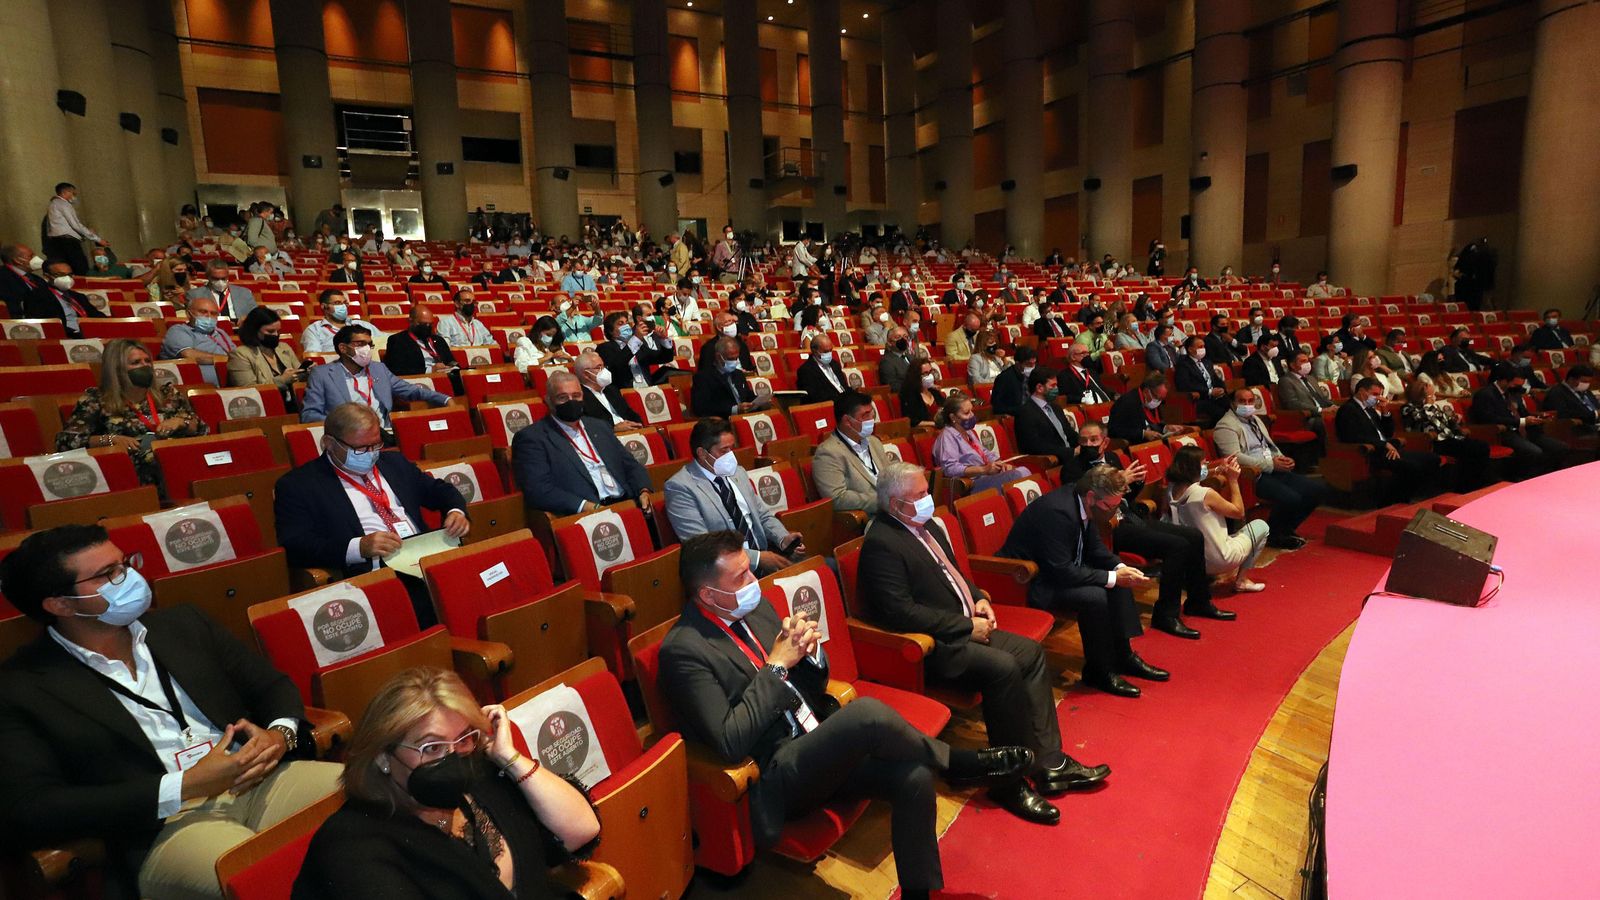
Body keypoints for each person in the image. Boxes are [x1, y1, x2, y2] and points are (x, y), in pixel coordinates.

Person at [661, 533, 1041, 897]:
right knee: (864, 714)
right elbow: (730, 740)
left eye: (749, 568)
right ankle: (958, 764)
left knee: (914, 776)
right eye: (740, 575)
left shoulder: (756, 606)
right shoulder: (684, 651)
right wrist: (776, 667)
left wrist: (810, 653)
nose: (752, 580)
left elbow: (813, 683)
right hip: (775, 773)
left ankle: (918, 892)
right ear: (709, 594)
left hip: (816, 742)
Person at [0, 524, 342, 900]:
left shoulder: (182, 624)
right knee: (266, 877)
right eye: (107, 574)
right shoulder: (22, 686)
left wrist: (280, 736)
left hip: (257, 780)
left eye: (125, 564)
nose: (128, 577)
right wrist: (184, 786)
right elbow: (31, 808)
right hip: (166, 826)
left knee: (379, 797)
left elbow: (271, 686)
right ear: (60, 605)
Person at [863, 464, 1114, 825]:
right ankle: (1008, 781)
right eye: (918, 496)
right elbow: (898, 613)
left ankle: (1049, 763)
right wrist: (966, 626)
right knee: (1004, 667)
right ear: (895, 504)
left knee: (1030, 652)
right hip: (936, 647)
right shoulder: (882, 543)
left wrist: (978, 596)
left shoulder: (928, 525)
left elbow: (955, 574)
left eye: (925, 492)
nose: (927, 501)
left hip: (968, 624)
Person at [293, 667, 599, 900]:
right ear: (383, 757)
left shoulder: (480, 777)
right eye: (432, 748)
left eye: (464, 738)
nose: (454, 758)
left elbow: (581, 829)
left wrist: (508, 756)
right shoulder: (353, 849)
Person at [274, 402, 470, 624]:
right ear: (329, 443)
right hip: (375, 575)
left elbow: (441, 491)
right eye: (360, 449)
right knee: (439, 606)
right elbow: (296, 545)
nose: (370, 454)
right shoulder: (299, 485)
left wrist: (456, 512)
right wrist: (359, 547)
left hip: (425, 557)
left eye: (376, 445)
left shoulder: (394, 463)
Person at [1074, 422, 1230, 636]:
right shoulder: (1074, 467)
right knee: (1176, 546)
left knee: (1193, 536)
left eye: (1093, 440)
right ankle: (1166, 615)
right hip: (1105, 527)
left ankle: (1199, 601)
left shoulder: (1112, 459)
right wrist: (1120, 481)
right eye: (1083, 441)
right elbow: (1085, 503)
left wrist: (1136, 483)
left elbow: (1126, 497)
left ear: (1105, 442)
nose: (1088, 444)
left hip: (1127, 516)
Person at [56, 338, 208, 487]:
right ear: (117, 368)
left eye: (147, 361)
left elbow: (203, 429)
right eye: (136, 363)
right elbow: (66, 442)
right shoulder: (96, 399)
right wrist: (111, 440)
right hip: (127, 470)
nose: (145, 366)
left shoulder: (166, 393)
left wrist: (182, 422)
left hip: (173, 459)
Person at [664, 419, 804, 575]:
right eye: (724, 451)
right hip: (726, 572)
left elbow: (762, 515)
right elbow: (702, 546)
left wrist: (783, 538)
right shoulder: (680, 487)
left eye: (732, 448)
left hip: (766, 555)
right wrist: (757, 558)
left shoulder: (738, 472)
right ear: (702, 453)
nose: (730, 456)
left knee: (824, 567)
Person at [513, 371, 653, 515]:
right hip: (587, 512)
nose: (571, 401)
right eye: (562, 397)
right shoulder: (532, 438)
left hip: (628, 502)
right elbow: (538, 490)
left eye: (576, 396)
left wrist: (643, 490)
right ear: (548, 400)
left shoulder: (599, 426)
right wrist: (586, 506)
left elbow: (629, 464)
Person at [1211, 388, 1325, 549]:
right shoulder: (1225, 426)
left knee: (1316, 490)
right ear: (1232, 403)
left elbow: (1268, 445)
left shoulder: (1255, 420)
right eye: (1242, 401)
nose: (1247, 405)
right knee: (1290, 498)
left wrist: (1282, 458)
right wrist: (1271, 464)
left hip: (1272, 468)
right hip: (1252, 475)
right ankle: (1274, 534)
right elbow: (1234, 457)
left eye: (1250, 401)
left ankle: (1284, 529)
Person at [301, 324, 451, 431]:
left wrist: (445, 399)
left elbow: (411, 390)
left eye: (369, 344)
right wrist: (344, 426)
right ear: (343, 348)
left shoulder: (378, 369)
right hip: (349, 437)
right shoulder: (321, 374)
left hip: (385, 431)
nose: (366, 349)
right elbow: (309, 415)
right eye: (360, 344)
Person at [1161, 449, 1269, 592]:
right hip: (1218, 560)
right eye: (1204, 464)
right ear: (1195, 468)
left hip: (1190, 560)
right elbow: (1239, 512)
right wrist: (1233, 480)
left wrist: (1218, 469)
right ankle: (1242, 580)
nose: (1206, 466)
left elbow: (1194, 482)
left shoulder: (1169, 490)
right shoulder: (1206, 494)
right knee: (1261, 526)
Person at [1337, 377, 1442, 500]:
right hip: (1373, 453)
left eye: (1380, 394)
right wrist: (1384, 445)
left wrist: (1385, 411)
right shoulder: (1348, 409)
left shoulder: (1370, 410)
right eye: (1375, 394)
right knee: (1412, 467)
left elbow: (1387, 432)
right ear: (1361, 391)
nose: (1378, 398)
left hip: (1389, 449)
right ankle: (1393, 500)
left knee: (1433, 458)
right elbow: (1353, 436)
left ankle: (1416, 496)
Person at [1468, 362, 1566, 480]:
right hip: (1503, 432)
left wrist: (1538, 419)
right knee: (1534, 452)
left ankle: (1545, 476)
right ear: (1503, 380)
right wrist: (1522, 421)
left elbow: (1523, 413)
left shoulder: (1513, 393)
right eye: (1514, 383)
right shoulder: (1485, 394)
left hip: (1524, 430)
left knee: (1560, 447)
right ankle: (1523, 480)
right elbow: (1488, 418)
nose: (1517, 386)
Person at [811, 390, 891, 519]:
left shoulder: (874, 442)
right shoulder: (828, 453)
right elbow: (837, 498)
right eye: (865, 416)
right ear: (847, 421)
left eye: (872, 414)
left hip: (894, 510)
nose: (872, 420)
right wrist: (882, 501)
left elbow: (890, 475)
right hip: (872, 517)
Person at [1400, 379, 1492, 489]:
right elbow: (1424, 418)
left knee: (1482, 446)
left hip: (1450, 437)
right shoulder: (1408, 408)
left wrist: (1455, 420)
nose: (1431, 388)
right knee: (1473, 449)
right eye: (1428, 387)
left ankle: (1475, 483)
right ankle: (1466, 486)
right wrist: (1429, 403)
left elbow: (1444, 421)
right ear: (1420, 391)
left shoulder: (1431, 405)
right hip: (1434, 442)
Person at [931, 395, 1031, 493]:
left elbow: (984, 452)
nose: (972, 415)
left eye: (971, 411)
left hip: (986, 476)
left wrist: (1000, 464)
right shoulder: (947, 437)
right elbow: (950, 468)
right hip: (971, 484)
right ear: (953, 417)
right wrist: (983, 470)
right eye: (966, 413)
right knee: (1021, 473)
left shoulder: (968, 432)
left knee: (1022, 472)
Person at [228, 306, 307, 409]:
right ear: (254, 330)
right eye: (270, 332)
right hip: (264, 407)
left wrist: (306, 372)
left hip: (294, 404)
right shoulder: (240, 354)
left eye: (278, 331)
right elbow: (248, 391)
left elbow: (297, 376)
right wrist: (282, 380)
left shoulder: (284, 348)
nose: (275, 335)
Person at [1014, 367, 1082, 475]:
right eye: (1053, 386)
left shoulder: (1055, 407)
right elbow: (1034, 446)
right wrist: (1071, 452)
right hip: (1058, 461)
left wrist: (1085, 442)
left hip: (1072, 458)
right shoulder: (1025, 413)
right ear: (1039, 388)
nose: (1057, 389)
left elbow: (1069, 432)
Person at [160, 295, 235, 387]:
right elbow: (188, 355)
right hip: (196, 388)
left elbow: (236, 355)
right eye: (203, 312)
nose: (209, 316)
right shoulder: (178, 331)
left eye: (213, 313)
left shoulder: (220, 333)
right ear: (189, 314)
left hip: (231, 385)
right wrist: (226, 359)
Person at [24, 258, 107, 337]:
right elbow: (44, 325)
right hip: (65, 337)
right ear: (46, 276)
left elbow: (96, 315)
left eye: (69, 275)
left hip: (89, 333)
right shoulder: (38, 296)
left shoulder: (78, 296)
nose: (67, 278)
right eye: (60, 275)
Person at [596, 311, 676, 388]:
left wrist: (663, 338)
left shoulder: (639, 346)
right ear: (611, 331)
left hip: (648, 389)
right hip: (626, 393)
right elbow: (616, 366)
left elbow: (665, 358)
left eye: (627, 323)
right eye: (621, 324)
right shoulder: (604, 348)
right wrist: (636, 338)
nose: (626, 326)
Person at [691, 336, 765, 418]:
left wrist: (761, 402)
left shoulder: (738, 374)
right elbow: (701, 408)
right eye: (731, 359)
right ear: (719, 357)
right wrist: (734, 409)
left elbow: (748, 396)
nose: (735, 362)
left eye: (736, 358)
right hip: (723, 421)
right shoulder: (703, 377)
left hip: (746, 417)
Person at [574, 348, 642, 430]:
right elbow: (588, 428)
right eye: (599, 367)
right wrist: (613, 429)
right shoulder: (578, 397)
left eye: (604, 366)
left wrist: (637, 425)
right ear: (586, 374)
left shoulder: (611, 389)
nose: (604, 371)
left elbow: (629, 412)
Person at [43, 182, 104, 274]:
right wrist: (97, 238)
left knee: (68, 269)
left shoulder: (53, 204)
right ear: (65, 192)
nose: (74, 196)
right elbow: (75, 224)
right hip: (68, 242)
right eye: (73, 193)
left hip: (56, 243)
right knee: (80, 267)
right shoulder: (64, 204)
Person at [1276, 350, 1333, 443]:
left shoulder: (1311, 378)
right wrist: (1320, 410)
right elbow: (1292, 404)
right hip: (1307, 417)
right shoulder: (1286, 381)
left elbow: (1322, 398)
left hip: (1323, 410)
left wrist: (1333, 406)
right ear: (1292, 365)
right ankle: (1326, 452)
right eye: (1303, 361)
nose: (1307, 364)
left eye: (1307, 361)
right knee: (1320, 422)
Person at [1174, 335, 1229, 424]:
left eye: (1204, 346)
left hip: (1214, 396)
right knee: (1219, 412)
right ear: (1190, 349)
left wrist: (1222, 389)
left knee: (1231, 404)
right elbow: (1185, 385)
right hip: (1200, 398)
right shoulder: (1184, 365)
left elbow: (1216, 379)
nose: (1203, 349)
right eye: (1200, 347)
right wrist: (1209, 392)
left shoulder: (1207, 362)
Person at [1109, 372, 1171, 444]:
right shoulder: (1126, 402)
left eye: (1161, 399)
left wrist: (1166, 428)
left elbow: (1153, 423)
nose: (1158, 402)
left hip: (1152, 442)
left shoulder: (1152, 401)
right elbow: (1113, 430)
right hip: (1134, 444)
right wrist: (1143, 434)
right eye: (1157, 398)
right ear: (1146, 391)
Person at [795, 334, 850, 404]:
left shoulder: (834, 364)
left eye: (831, 350)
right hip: (830, 405)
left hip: (846, 402)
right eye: (826, 351)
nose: (829, 354)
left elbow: (844, 387)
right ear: (814, 351)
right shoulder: (806, 371)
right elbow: (816, 397)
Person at [1543, 364, 1598, 432]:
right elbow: (1561, 414)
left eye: (1589, 382)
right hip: (1581, 427)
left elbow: (1595, 405)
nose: (1587, 384)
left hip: (1595, 422)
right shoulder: (1557, 392)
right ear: (1571, 379)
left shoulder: (1583, 390)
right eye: (1584, 381)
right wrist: (1594, 414)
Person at [0, 242, 47, 316]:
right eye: (31, 256)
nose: (36, 258)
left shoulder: (38, 279)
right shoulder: (3, 277)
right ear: (17, 260)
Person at [989, 344, 1035, 416]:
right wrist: (1020, 410)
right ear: (1017, 364)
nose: (1032, 367)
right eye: (1028, 364)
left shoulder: (1036, 374)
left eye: (1034, 364)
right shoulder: (1004, 378)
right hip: (1015, 416)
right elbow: (997, 408)